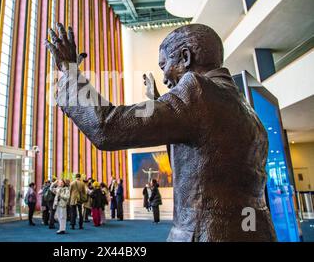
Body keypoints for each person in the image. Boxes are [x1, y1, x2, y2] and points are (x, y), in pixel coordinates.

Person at [46, 22, 277, 241]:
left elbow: (107, 127)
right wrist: (159, 101)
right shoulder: (245, 110)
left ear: (186, 57)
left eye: (164, 65)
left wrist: (70, 72)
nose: (165, 77)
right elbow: (204, 160)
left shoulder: (196, 91)